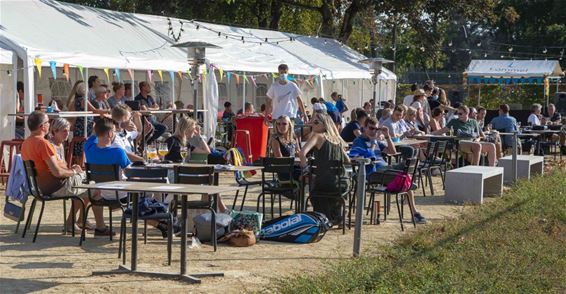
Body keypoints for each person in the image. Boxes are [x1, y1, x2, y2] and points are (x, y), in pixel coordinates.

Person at [20, 112, 106, 234]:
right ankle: (98, 227)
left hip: (41, 187)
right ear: (42, 127)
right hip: (56, 186)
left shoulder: (26, 143)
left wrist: (73, 172)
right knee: (94, 185)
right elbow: (57, 172)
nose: (49, 124)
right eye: (47, 122)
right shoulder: (43, 144)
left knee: (86, 186)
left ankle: (77, 222)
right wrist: (74, 171)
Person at [352, 118, 427, 224]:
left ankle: (414, 211)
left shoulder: (377, 141)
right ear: (364, 128)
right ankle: (414, 210)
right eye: (371, 128)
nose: (374, 131)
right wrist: (373, 144)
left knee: (409, 165)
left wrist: (387, 136)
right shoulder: (358, 141)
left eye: (376, 129)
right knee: (404, 177)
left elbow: (392, 151)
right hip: (373, 173)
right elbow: (363, 158)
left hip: (385, 170)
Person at [84, 117, 132, 236]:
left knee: (96, 190)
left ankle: (100, 227)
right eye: (114, 131)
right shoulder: (118, 152)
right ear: (110, 133)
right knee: (144, 191)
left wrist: (98, 128)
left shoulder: (88, 148)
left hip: (99, 193)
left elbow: (93, 137)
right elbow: (130, 173)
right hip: (118, 194)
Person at [299, 112, 350, 225]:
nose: (313, 125)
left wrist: (306, 171)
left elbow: (302, 153)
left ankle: (323, 217)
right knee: (322, 185)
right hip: (342, 183)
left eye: (316, 122)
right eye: (312, 123)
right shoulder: (337, 139)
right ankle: (336, 214)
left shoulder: (318, 136)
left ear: (325, 124)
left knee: (312, 187)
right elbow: (348, 160)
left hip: (325, 183)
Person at [433, 105, 497, 166]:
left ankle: (492, 169)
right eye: (457, 113)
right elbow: (441, 131)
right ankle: (475, 169)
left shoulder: (473, 122)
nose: (458, 115)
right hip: (460, 143)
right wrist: (429, 134)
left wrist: (476, 140)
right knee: (477, 146)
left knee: (492, 146)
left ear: (467, 113)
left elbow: (478, 136)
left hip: (473, 142)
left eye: (460, 114)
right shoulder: (454, 121)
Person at [66, 81, 109, 159]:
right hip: (84, 125)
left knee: (79, 143)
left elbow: (70, 112)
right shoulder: (84, 100)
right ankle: (86, 158)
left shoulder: (75, 101)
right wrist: (107, 111)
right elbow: (95, 110)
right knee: (90, 139)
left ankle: (79, 159)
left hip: (78, 125)